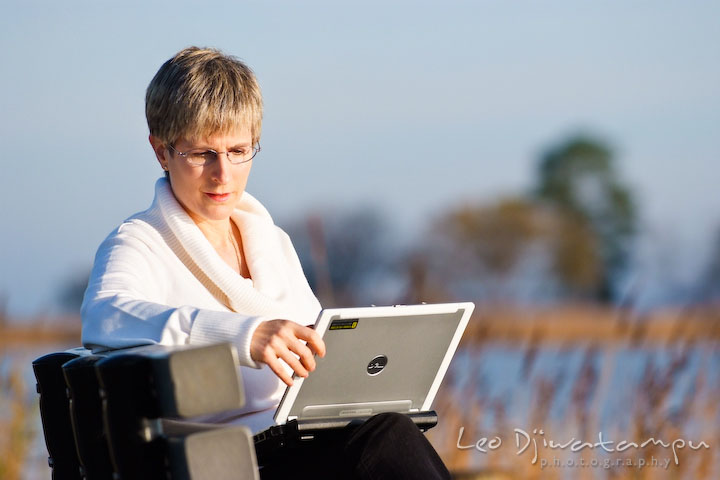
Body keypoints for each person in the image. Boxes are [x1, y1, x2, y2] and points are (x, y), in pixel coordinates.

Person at [81, 46, 450, 479]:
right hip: (229, 462)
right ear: (161, 151)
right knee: (389, 438)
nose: (223, 174)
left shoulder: (272, 243)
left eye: (239, 151)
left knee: (393, 428)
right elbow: (104, 315)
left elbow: (314, 354)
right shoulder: (140, 242)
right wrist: (245, 335)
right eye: (202, 154)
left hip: (302, 442)